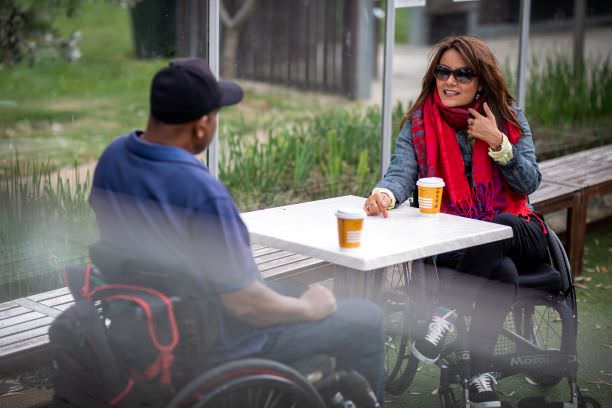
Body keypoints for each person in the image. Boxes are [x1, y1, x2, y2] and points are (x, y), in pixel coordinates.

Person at [89, 58, 385, 405]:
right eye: (216, 115)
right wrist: (308, 310)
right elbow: (246, 306)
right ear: (201, 126)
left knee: (291, 288)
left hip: (150, 321)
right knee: (365, 318)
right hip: (213, 343)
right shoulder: (200, 192)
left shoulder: (114, 157)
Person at [364, 36, 547, 408]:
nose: (451, 81)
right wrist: (384, 194)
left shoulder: (508, 118)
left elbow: (529, 183)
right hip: (453, 240)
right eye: (443, 72)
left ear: (481, 81)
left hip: (517, 229)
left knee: (500, 225)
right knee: (503, 275)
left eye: (463, 74)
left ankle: (445, 311)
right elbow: (401, 173)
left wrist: (498, 144)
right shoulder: (419, 123)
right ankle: (481, 380)